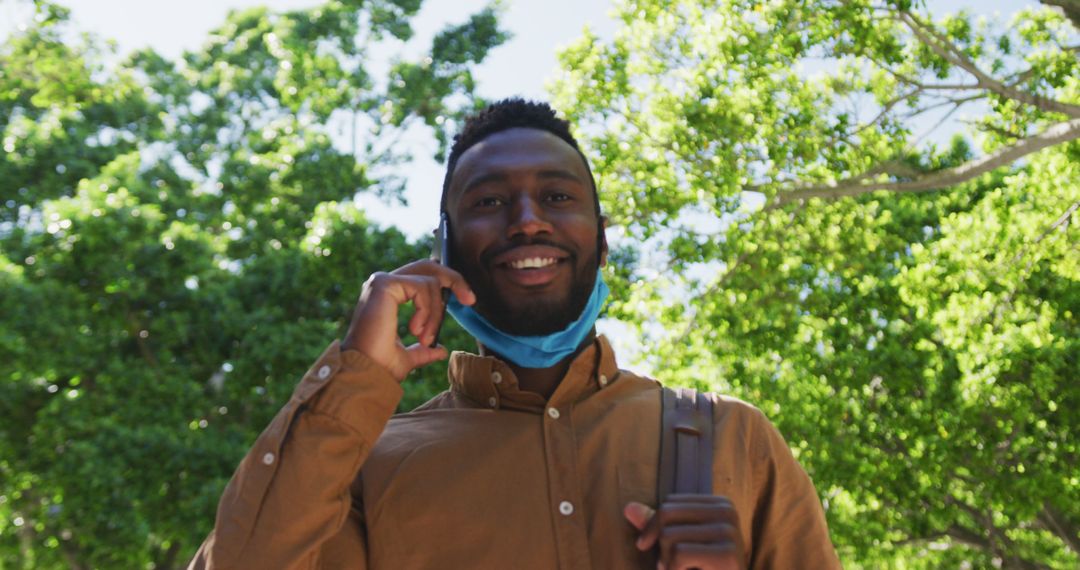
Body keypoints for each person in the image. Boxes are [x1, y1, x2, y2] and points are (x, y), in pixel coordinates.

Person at [188, 99, 840, 569]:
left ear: (601, 239)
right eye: (490, 201)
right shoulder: (362, 465)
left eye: (557, 198)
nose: (528, 223)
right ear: (442, 248)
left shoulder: (732, 439)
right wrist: (357, 374)